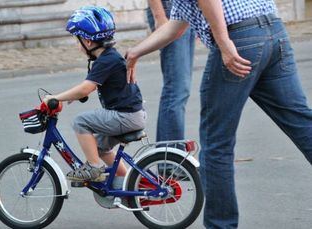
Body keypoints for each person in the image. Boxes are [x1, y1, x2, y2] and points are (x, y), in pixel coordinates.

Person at [125, 0, 312, 228]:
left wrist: (223, 43)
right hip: (274, 32)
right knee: (302, 123)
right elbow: (177, 26)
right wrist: (135, 51)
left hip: (239, 37)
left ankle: (220, 225)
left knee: (217, 144)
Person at [44, 6, 146, 182]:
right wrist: (72, 97)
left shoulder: (106, 60)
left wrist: (55, 97)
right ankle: (126, 182)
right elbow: (90, 87)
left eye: (78, 40)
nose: (78, 45)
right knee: (99, 148)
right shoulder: (108, 57)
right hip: (132, 114)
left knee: (80, 121)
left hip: (125, 116)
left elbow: (85, 88)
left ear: (88, 42)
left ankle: (94, 167)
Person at [146, 0, 195, 142]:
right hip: (168, 13)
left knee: (180, 91)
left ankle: (169, 156)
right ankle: (170, 159)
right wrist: (159, 16)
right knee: (176, 90)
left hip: (185, 13)